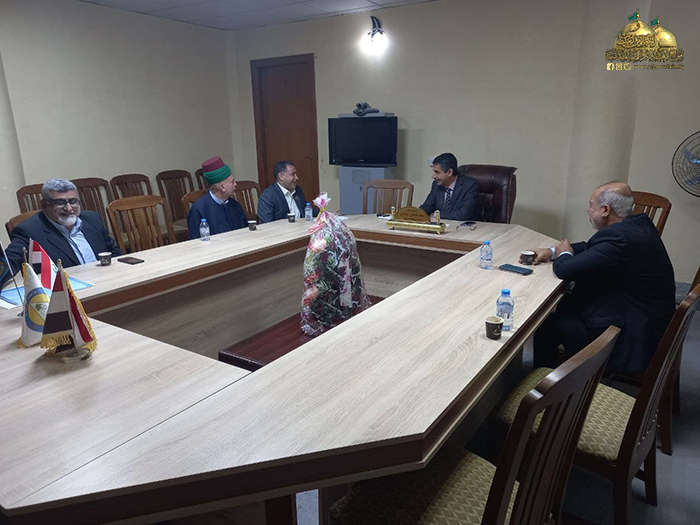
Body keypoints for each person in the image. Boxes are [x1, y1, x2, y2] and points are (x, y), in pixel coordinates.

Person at [529, 181, 675, 372]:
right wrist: (552, 252)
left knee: (548, 326)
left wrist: (564, 254)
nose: (588, 210)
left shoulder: (620, 239)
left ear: (605, 210)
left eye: (591, 205)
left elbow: (565, 270)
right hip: (642, 315)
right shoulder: (636, 225)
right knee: (566, 305)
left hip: (633, 335)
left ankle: (546, 385)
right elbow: (592, 248)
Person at [2, 179, 121, 286]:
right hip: (67, 294)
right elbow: (9, 262)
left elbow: (114, 253)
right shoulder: (28, 231)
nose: (69, 208)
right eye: (60, 202)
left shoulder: (93, 219)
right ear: (44, 205)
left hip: (107, 283)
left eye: (73, 201)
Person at [187, 156, 247, 239]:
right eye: (232, 182)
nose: (235, 184)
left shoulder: (235, 205)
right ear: (222, 187)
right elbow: (194, 241)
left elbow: (245, 232)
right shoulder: (198, 210)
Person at [419, 152, 481, 221]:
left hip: (462, 226)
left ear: (449, 172)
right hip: (441, 224)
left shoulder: (470, 185)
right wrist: (418, 214)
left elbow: (463, 214)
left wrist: (436, 215)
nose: (433, 176)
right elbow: (427, 206)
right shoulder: (436, 184)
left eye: (437, 172)